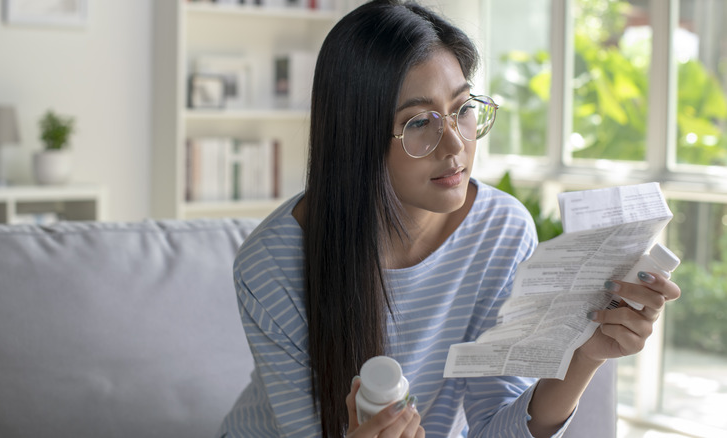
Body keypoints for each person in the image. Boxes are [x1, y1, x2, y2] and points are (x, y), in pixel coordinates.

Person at [217, 1, 681, 437]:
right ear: (355, 139)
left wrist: (585, 357)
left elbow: (494, 426)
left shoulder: (500, 231)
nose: (455, 145)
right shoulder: (272, 264)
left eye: (462, 110)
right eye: (419, 122)